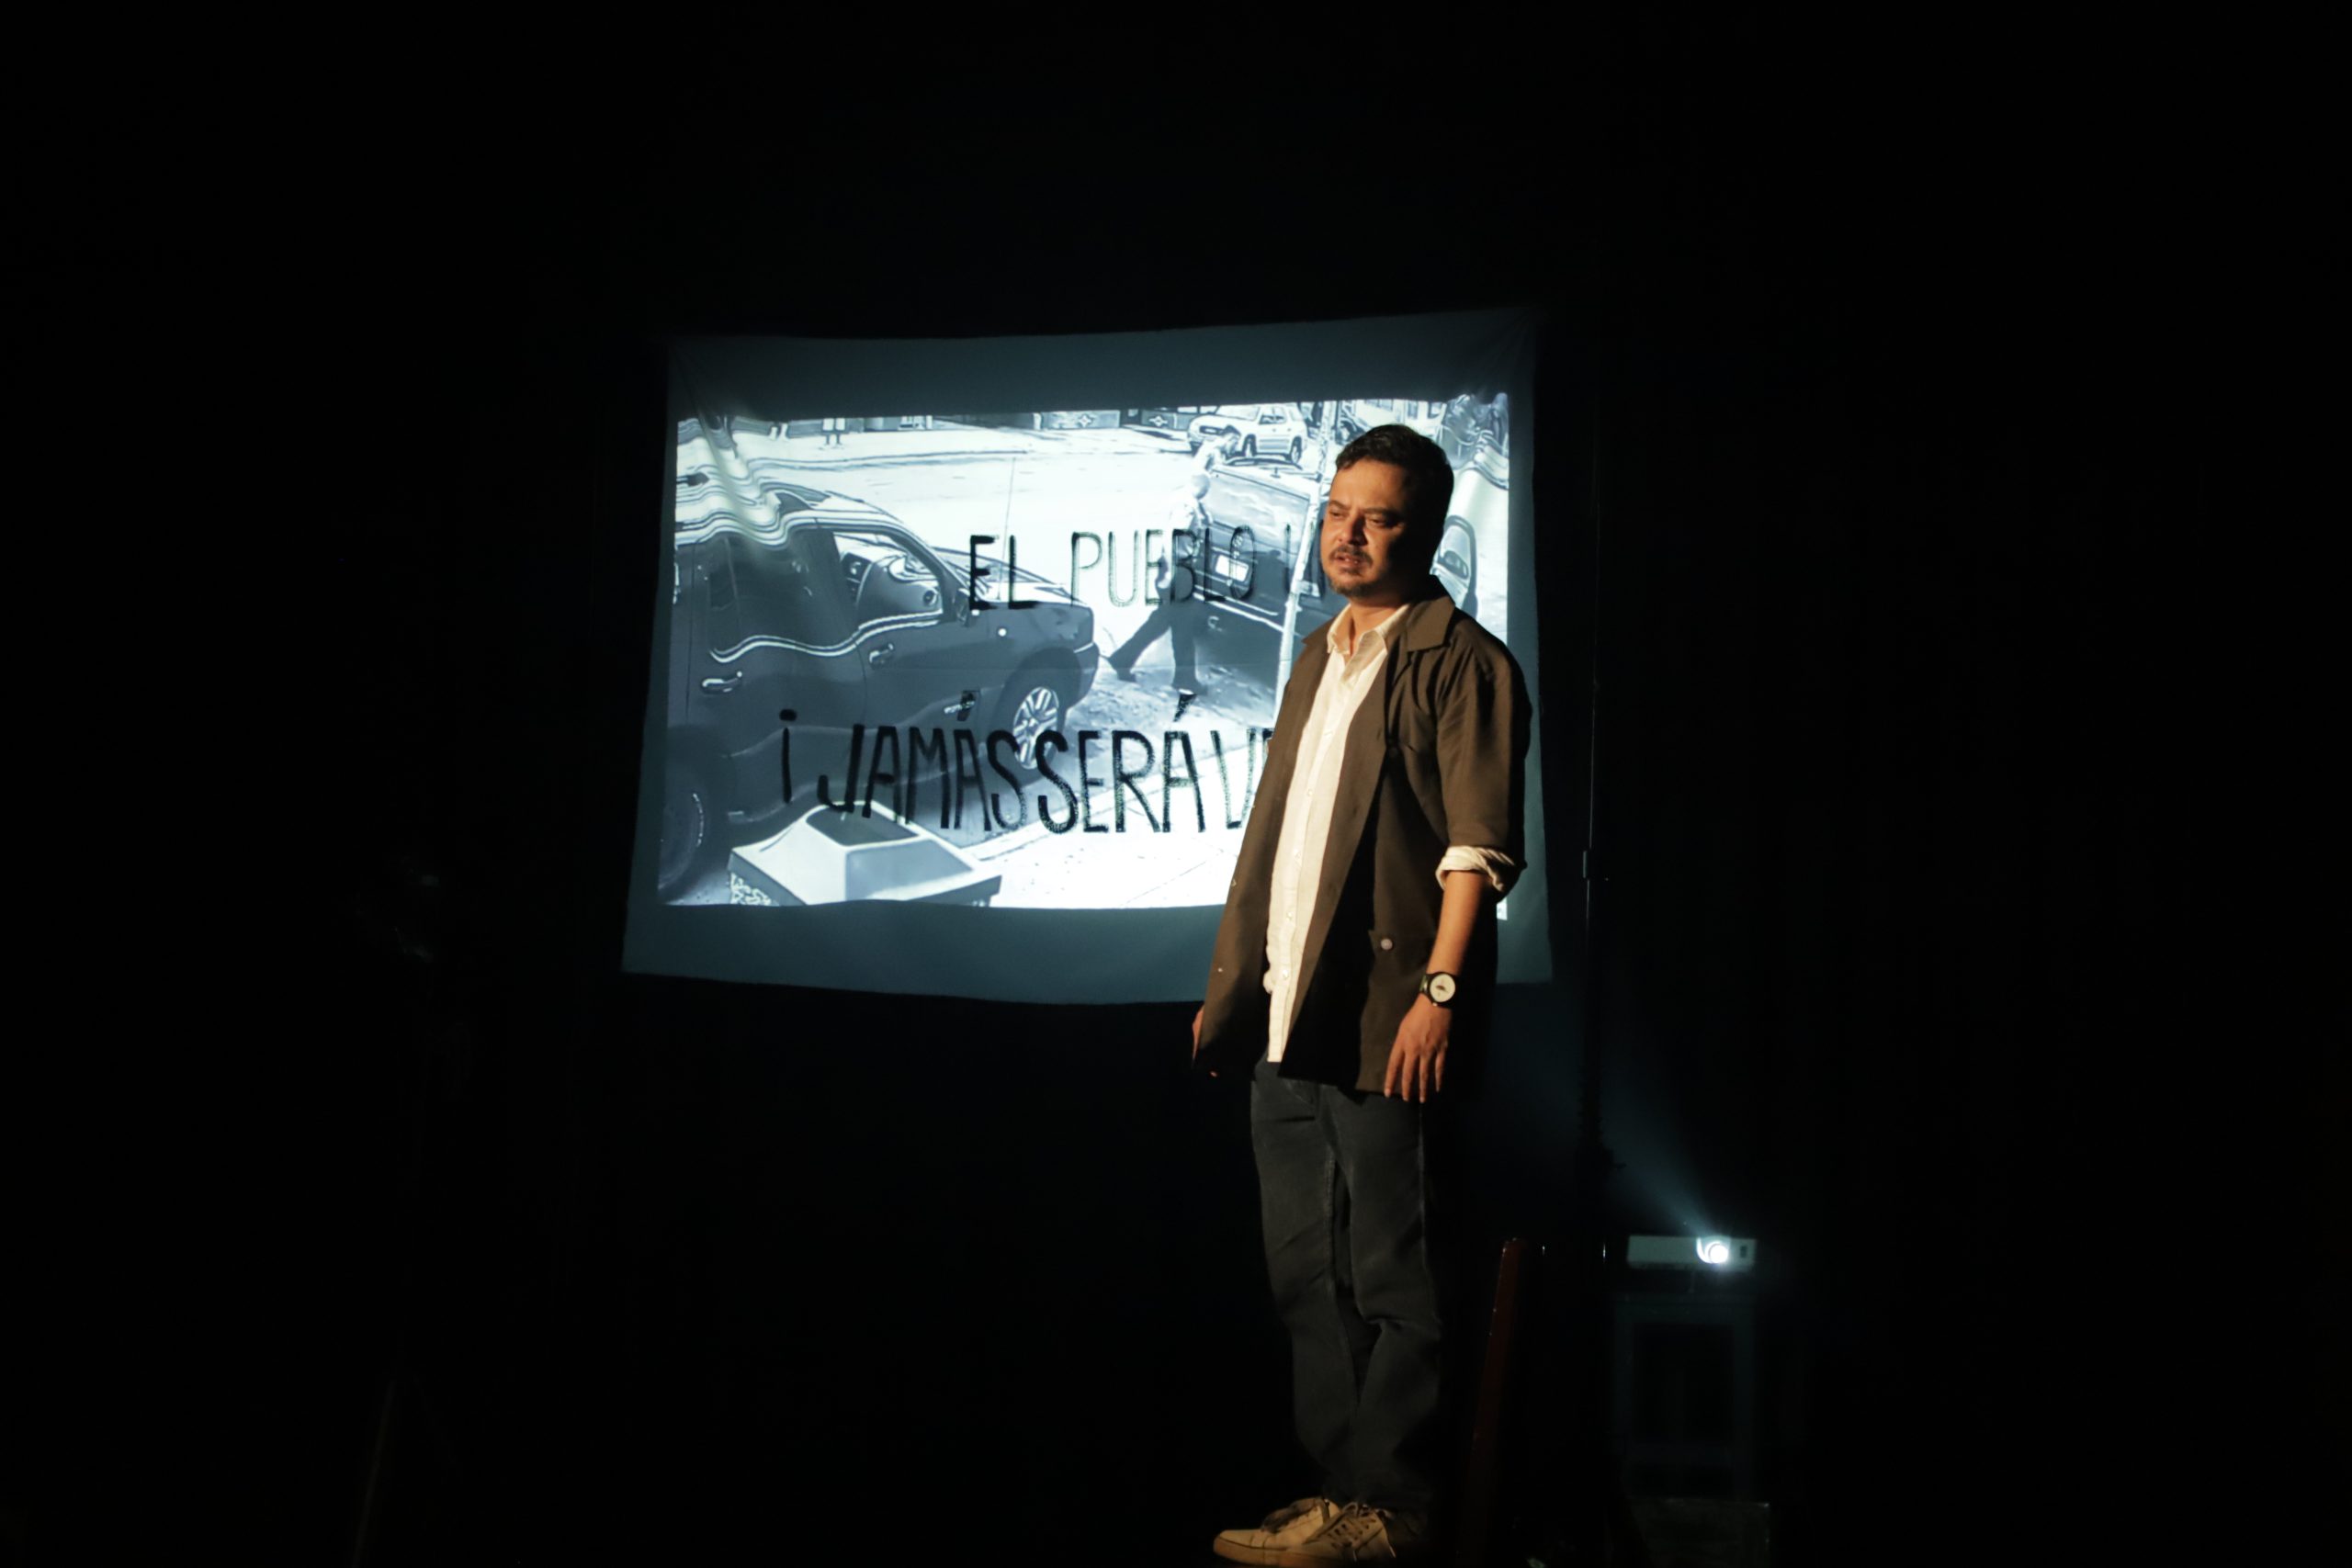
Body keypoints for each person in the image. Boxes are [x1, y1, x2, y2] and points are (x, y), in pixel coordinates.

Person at [1191, 424, 1528, 1565]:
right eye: (1338, 511)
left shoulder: (1462, 662)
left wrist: (1440, 993)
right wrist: (1237, 986)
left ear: (1422, 532)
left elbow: (1478, 850)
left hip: (1389, 1015)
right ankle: (1343, 1492)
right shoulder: (1317, 655)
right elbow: (1278, 843)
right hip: (1290, 1010)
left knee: (1395, 1270)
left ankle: (1397, 1505)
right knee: (1306, 1270)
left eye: (1376, 518)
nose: (1347, 534)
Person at [1105, 468, 1215, 694]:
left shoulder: (1181, 498)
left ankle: (1124, 658)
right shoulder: (1187, 506)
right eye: (1207, 489)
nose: (1207, 493)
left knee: (1162, 622)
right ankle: (1184, 679)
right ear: (1202, 488)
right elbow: (1172, 538)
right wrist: (1170, 573)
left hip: (1174, 568)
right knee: (1182, 625)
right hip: (1178, 569)